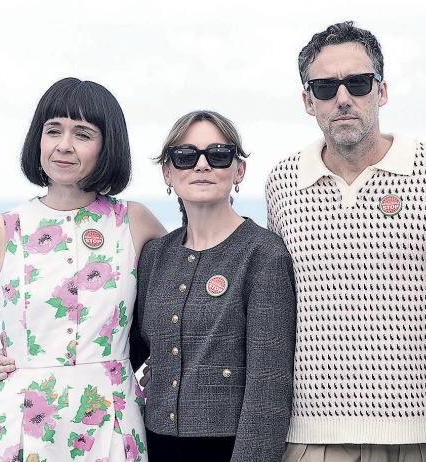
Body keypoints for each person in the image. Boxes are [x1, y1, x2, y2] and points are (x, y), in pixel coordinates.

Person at [265, 21, 426, 462]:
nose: (343, 98)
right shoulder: (282, 183)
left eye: (358, 83)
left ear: (381, 92)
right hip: (314, 432)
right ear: (308, 101)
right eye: (325, 87)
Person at [0, 77, 166, 462]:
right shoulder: (1, 230)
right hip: (18, 428)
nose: (64, 145)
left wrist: (164, 367)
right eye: (53, 130)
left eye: (83, 134)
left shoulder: (133, 221)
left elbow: (183, 301)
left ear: (108, 146)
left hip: (113, 424)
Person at [131, 110, 296, 461]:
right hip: (154, 445)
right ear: (167, 172)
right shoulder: (155, 256)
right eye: (185, 156)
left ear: (239, 170)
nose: (202, 165)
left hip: (229, 449)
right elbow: (120, 349)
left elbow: (268, 388)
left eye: (219, 154)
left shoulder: (263, 254)